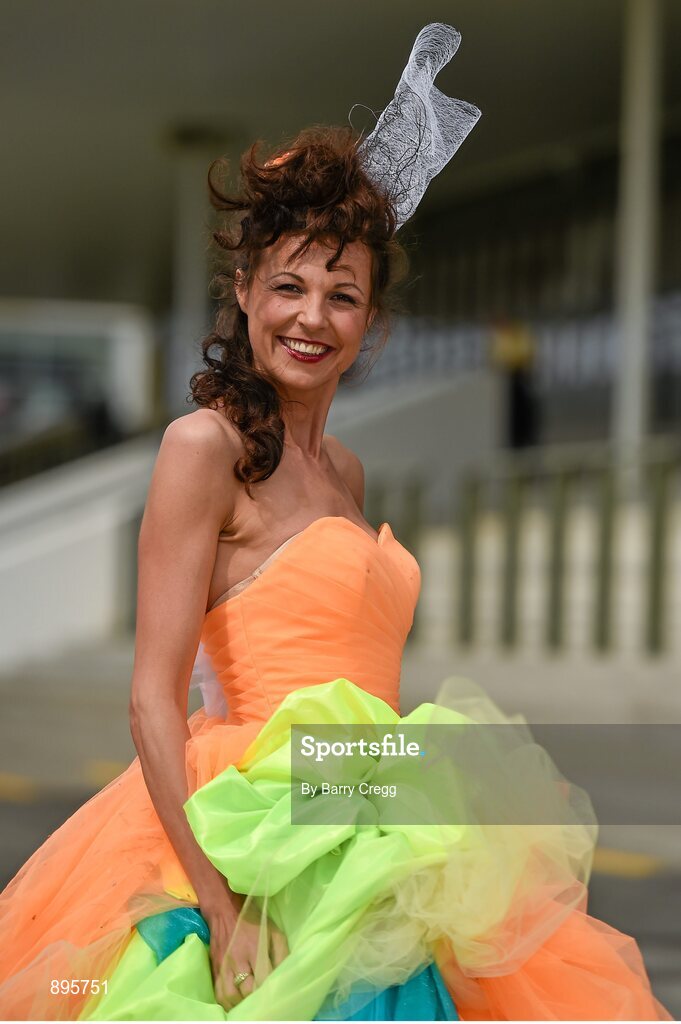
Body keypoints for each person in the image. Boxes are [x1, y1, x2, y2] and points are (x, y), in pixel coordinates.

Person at [0, 25, 671, 1023]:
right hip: (254, 840)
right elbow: (152, 699)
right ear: (244, 292)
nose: (312, 316)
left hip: (365, 809)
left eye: (342, 294)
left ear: (372, 321)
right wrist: (222, 909)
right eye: (289, 285)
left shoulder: (346, 469)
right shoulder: (202, 447)